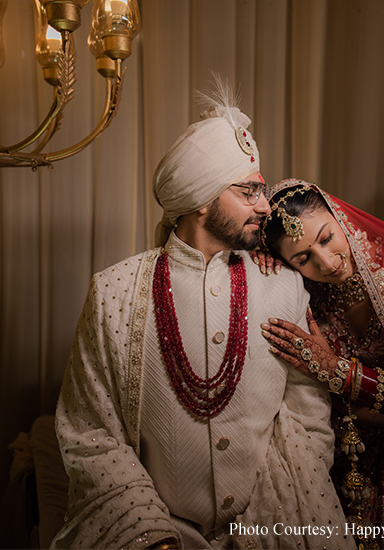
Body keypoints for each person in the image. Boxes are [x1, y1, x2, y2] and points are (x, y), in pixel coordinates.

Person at [51, 88, 354, 550]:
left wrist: (273, 519)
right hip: (156, 534)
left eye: (261, 187)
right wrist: (152, 537)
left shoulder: (285, 285)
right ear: (199, 200)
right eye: (248, 190)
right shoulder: (114, 293)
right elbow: (89, 431)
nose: (264, 205)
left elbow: (307, 416)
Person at [257, 178, 384, 550]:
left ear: (340, 215)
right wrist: (257, 263)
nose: (326, 262)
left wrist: (341, 373)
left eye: (327, 237)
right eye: (302, 259)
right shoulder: (305, 296)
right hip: (343, 474)